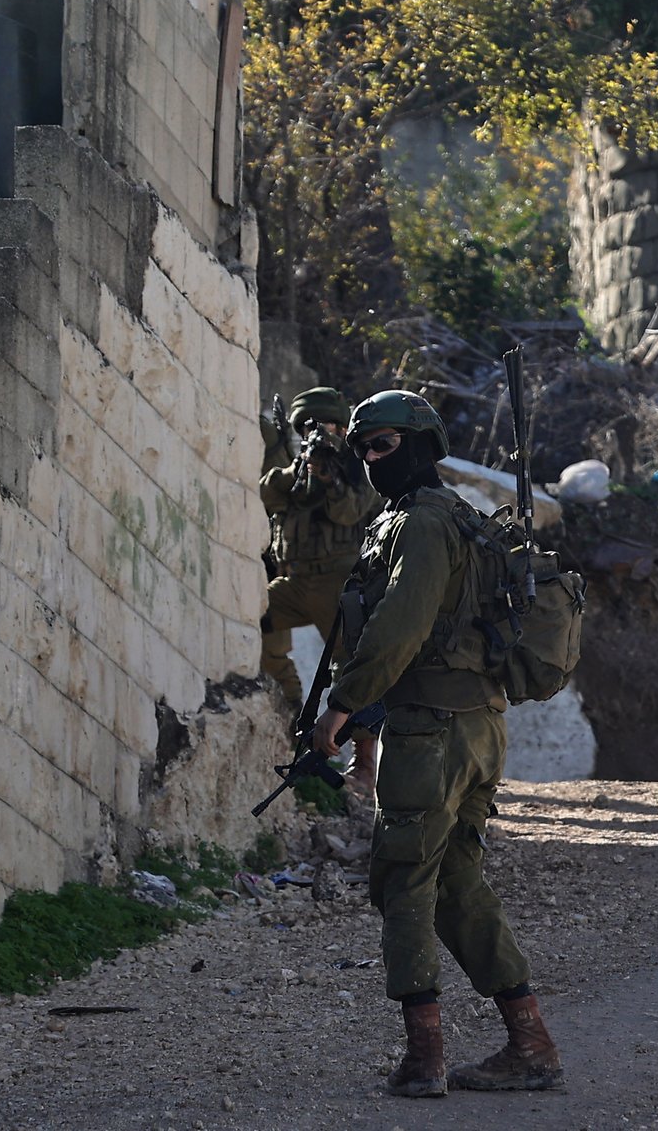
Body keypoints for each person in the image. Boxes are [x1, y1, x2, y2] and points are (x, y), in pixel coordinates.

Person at [308, 390, 562, 1099]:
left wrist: (342, 707)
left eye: (383, 445)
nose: (370, 458)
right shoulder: (457, 516)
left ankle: (424, 1059)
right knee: (454, 881)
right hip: (475, 726)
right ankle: (531, 1044)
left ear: (421, 446)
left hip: (433, 730)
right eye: (363, 448)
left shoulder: (422, 523)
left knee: (403, 881)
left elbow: (402, 623)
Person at [261, 386, 382, 783]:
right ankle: (291, 714)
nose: (319, 432)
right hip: (295, 580)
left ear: (343, 429)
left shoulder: (356, 466)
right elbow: (267, 494)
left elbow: (349, 512)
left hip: (337, 582)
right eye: (310, 426)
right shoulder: (296, 466)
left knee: (351, 666)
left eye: (328, 425)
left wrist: (329, 477)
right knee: (251, 621)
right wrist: (298, 471)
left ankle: (363, 759)